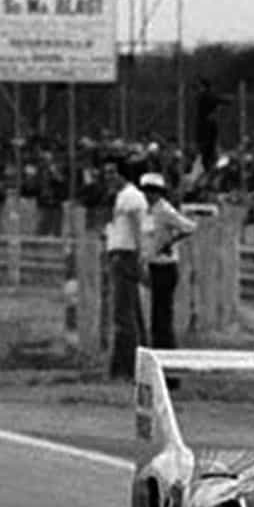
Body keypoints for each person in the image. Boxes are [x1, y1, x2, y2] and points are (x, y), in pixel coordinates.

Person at [103, 160, 150, 378]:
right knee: (131, 312)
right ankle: (138, 361)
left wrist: (141, 257)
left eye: (112, 173)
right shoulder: (124, 196)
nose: (108, 178)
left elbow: (138, 228)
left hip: (126, 255)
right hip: (121, 254)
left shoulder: (131, 197)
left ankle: (126, 366)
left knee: (124, 314)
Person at [142, 174, 199, 350]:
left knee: (163, 313)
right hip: (153, 264)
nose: (149, 195)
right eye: (147, 191)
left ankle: (166, 350)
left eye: (153, 191)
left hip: (165, 266)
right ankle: (158, 347)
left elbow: (189, 227)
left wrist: (171, 241)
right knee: (156, 313)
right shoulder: (147, 210)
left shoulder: (165, 210)